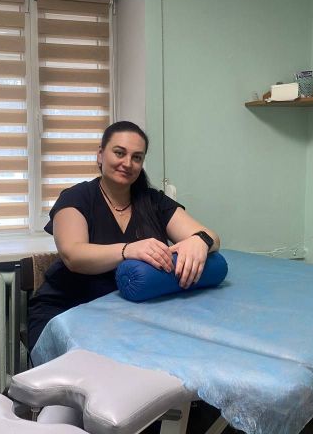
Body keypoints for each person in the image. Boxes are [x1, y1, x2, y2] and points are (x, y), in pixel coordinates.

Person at [27, 121, 220, 350]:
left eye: (137, 157)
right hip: (68, 310)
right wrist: (128, 250)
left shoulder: (153, 201)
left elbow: (212, 236)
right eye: (119, 153)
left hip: (131, 312)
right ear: (100, 155)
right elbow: (73, 255)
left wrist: (200, 241)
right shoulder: (76, 197)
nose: (128, 163)